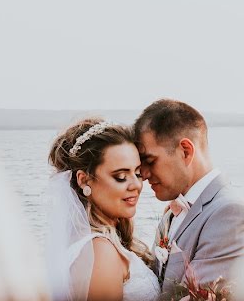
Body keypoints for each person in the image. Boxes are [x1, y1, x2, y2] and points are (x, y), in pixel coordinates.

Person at [134, 99, 244, 293]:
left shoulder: (230, 215)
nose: (143, 174)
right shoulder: (173, 212)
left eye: (150, 161)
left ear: (185, 151)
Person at [46, 118, 160, 301]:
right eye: (121, 176)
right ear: (84, 180)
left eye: (137, 173)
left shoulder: (92, 243)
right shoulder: (101, 252)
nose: (136, 185)